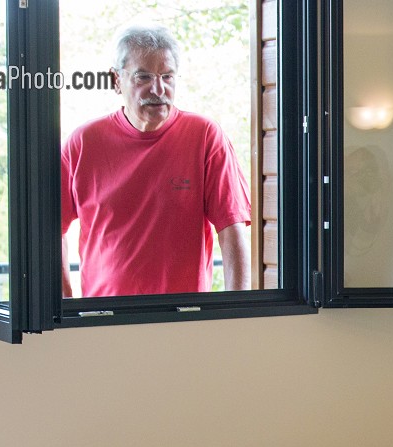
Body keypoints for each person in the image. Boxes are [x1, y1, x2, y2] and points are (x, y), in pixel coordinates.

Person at [61, 25, 251, 297]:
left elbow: (232, 230)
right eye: (144, 77)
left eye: (167, 76)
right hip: (103, 315)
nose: (158, 88)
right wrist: (65, 304)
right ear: (116, 80)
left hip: (185, 313)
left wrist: (236, 310)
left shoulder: (205, 136)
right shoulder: (82, 143)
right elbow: (50, 231)